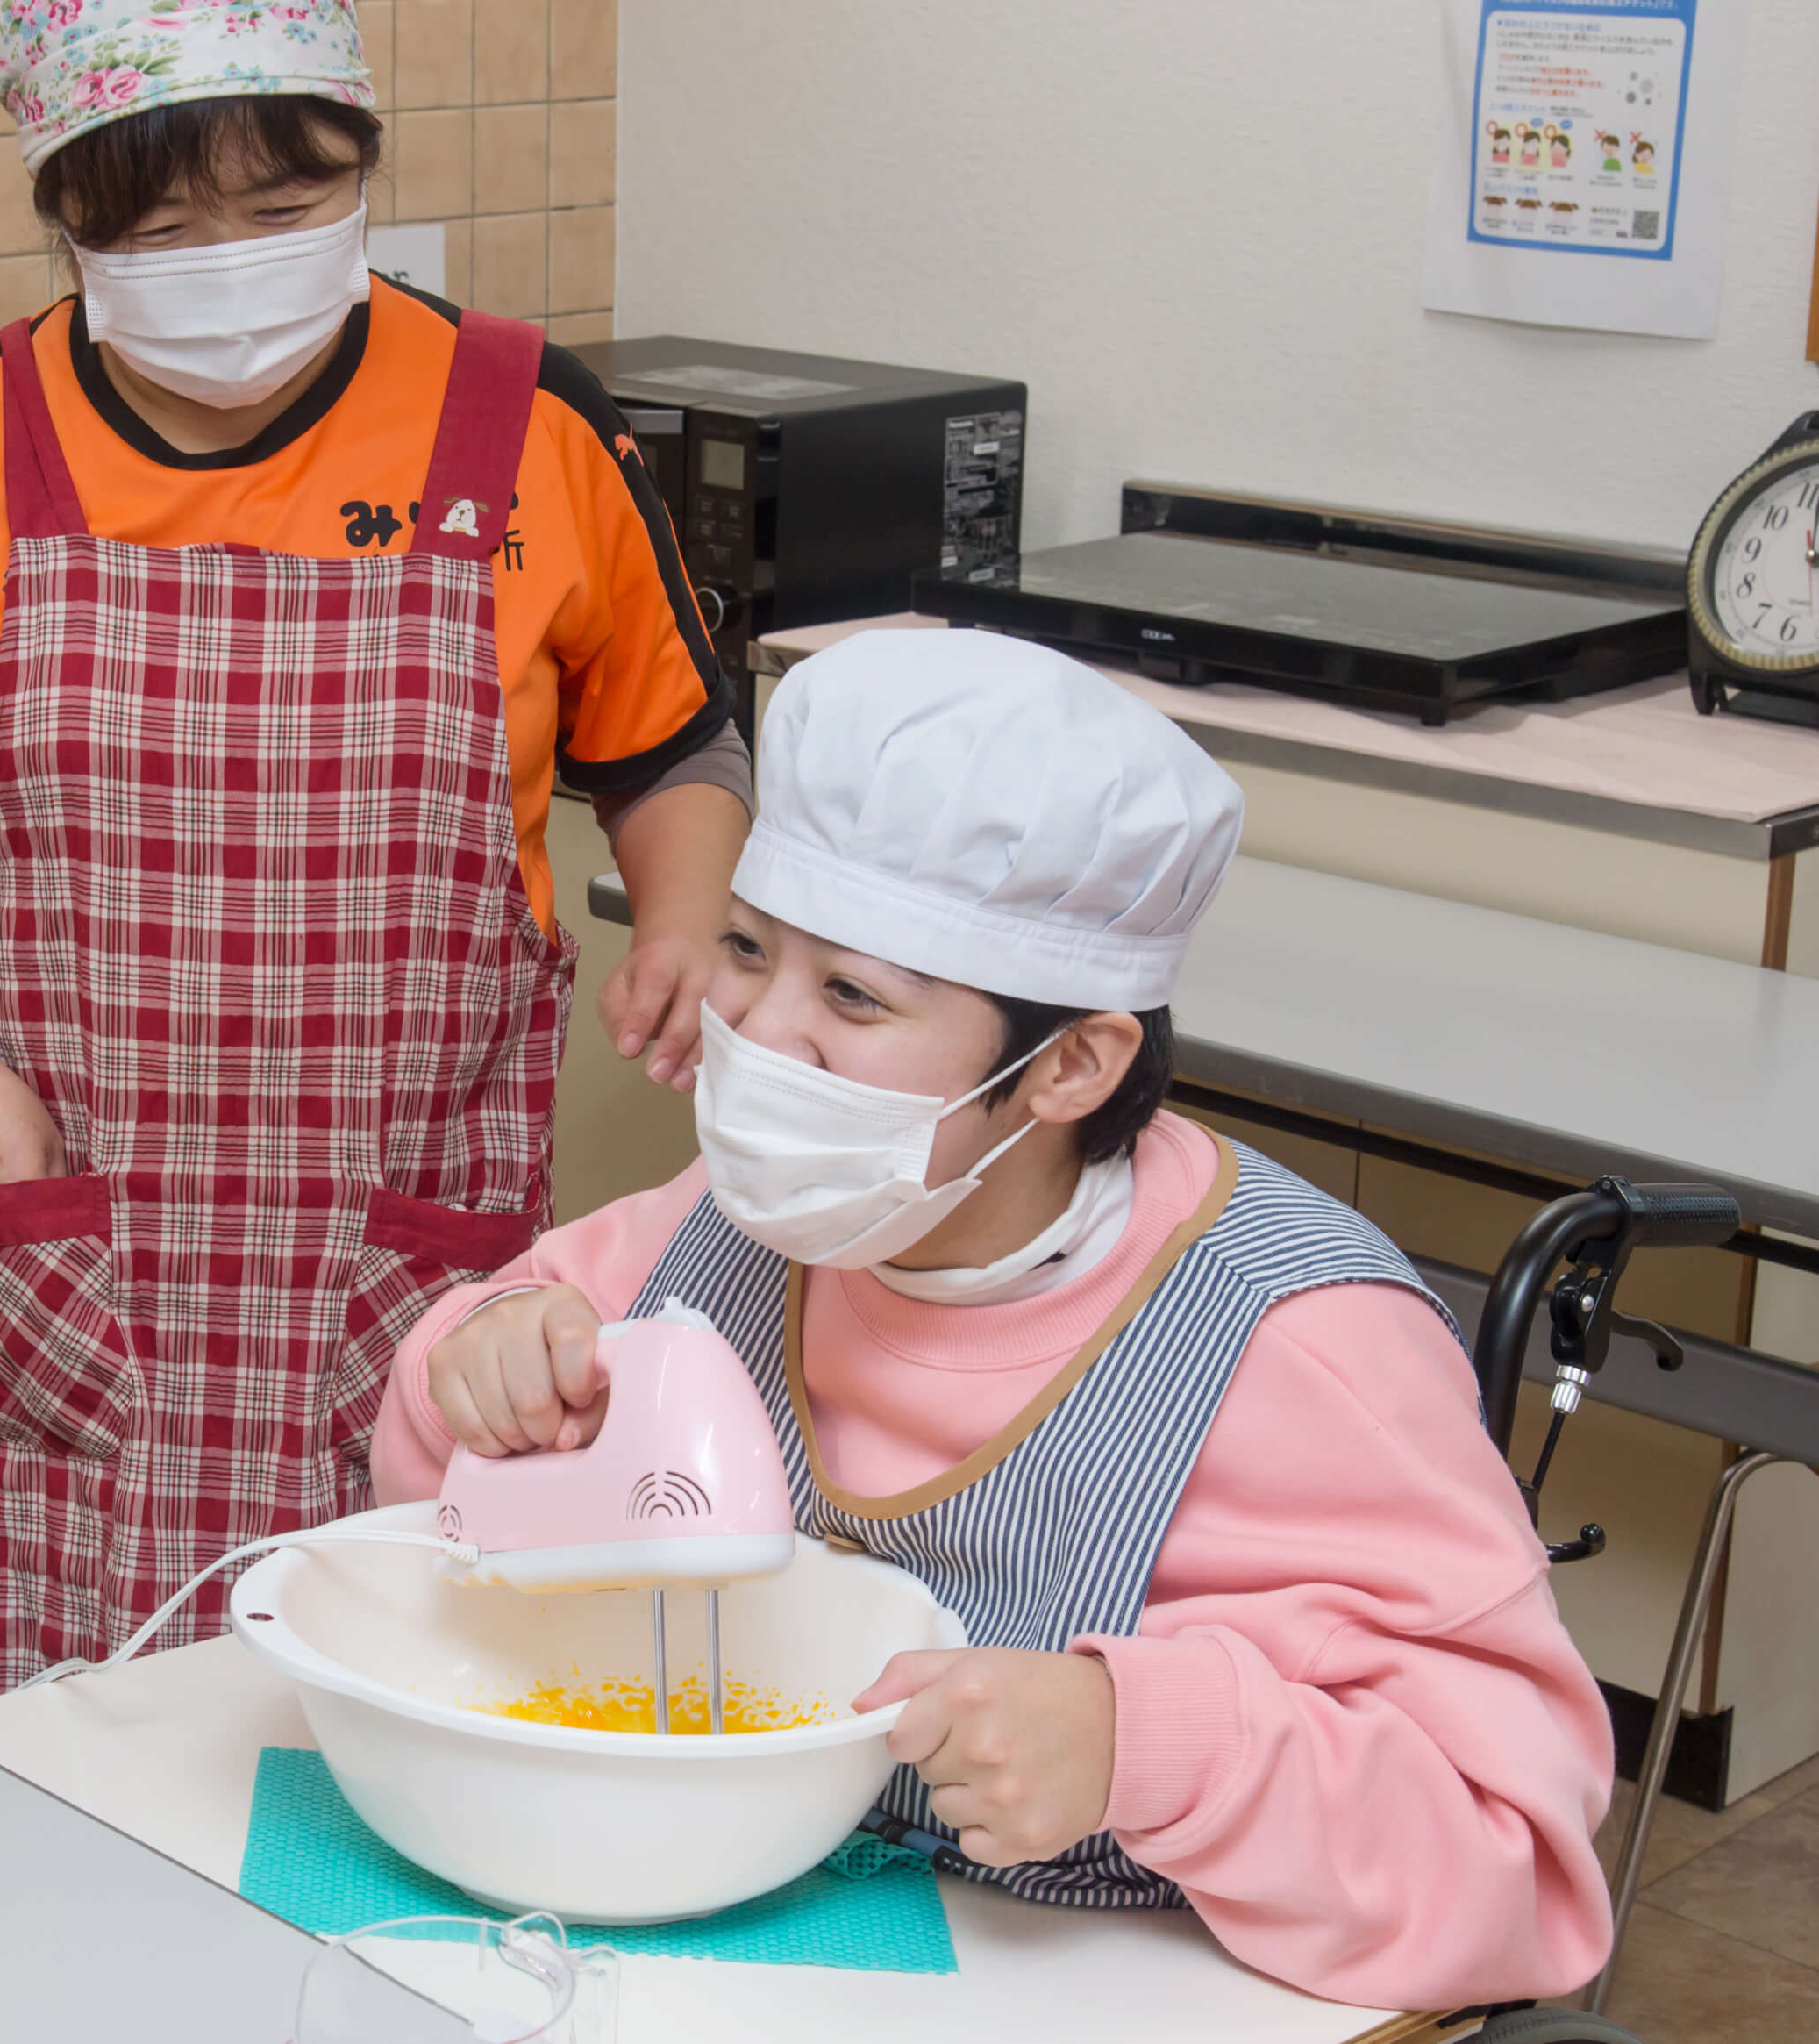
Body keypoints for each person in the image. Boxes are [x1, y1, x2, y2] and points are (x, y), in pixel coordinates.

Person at [0, 0, 747, 1708]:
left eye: (279, 209)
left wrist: (690, 920)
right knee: (71, 1762)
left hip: (403, 1249)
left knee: (408, 1724)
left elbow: (672, 740)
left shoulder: (523, 424)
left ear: (356, 166)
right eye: (159, 229)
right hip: (71, 1234)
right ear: (63, 212)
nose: (228, 264)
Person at [372, 632, 1616, 2010]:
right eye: (746, 949)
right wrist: (478, 1372)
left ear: (1073, 1062)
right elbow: (436, 1518)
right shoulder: (730, 1226)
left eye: (852, 995)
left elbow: (1521, 1870)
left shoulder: (1295, 1345)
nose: (759, 1033)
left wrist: (1144, 1744)